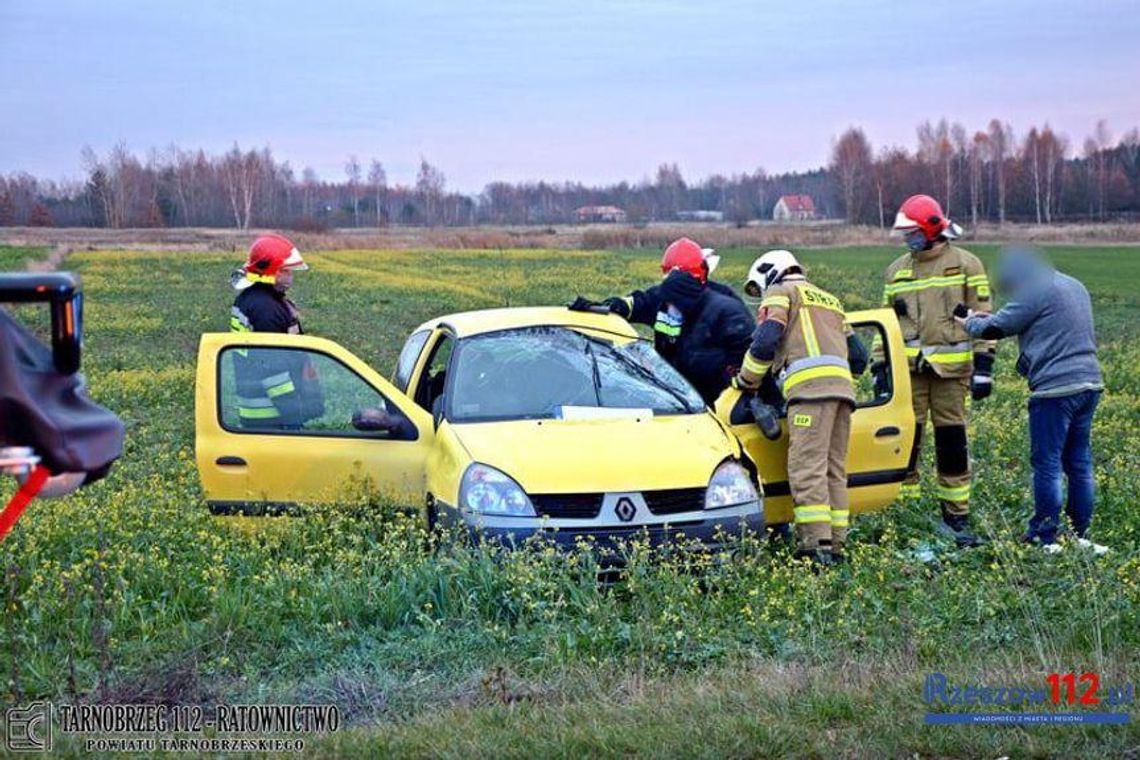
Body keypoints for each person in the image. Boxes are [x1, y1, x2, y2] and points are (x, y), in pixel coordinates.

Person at [957, 247, 1106, 554]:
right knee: (1079, 463)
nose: (1013, 293)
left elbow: (996, 327)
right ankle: (1078, 535)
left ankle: (1046, 537)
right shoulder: (1072, 284)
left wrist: (969, 322)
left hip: (1055, 389)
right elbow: (1026, 317)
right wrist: (996, 315)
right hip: (1089, 382)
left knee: (1047, 463)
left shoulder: (1035, 288)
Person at [734, 250, 868, 565]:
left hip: (809, 395)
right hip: (842, 395)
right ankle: (836, 545)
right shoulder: (829, 299)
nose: (763, 295)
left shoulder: (781, 292)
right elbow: (859, 357)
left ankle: (815, 548)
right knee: (833, 470)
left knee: (806, 470)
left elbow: (766, 340)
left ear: (771, 273)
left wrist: (746, 380)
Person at [880, 194, 995, 547]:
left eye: (913, 232)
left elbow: (984, 317)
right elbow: (887, 323)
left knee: (951, 444)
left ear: (931, 228)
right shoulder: (896, 270)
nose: (908, 239)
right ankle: (908, 514)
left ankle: (955, 515)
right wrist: (879, 367)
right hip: (909, 374)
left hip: (951, 375)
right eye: (906, 233)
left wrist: (984, 366)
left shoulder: (966, 264)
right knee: (906, 444)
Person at [570, 237, 754, 405]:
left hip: (718, 393)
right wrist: (607, 306)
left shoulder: (725, 301)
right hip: (674, 391)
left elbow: (744, 347)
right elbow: (635, 304)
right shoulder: (661, 297)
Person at [229, 234, 323, 429]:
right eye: (286, 270)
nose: (291, 275)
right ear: (273, 271)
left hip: (258, 410)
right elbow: (272, 369)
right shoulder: (266, 310)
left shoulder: (251, 299)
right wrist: (292, 414)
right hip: (272, 416)